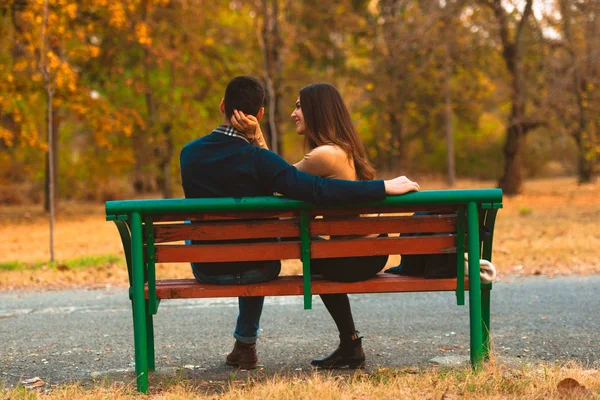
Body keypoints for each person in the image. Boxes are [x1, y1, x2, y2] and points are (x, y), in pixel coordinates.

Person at [180, 76, 420, 370]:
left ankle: (248, 345)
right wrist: (381, 187)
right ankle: (246, 343)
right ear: (260, 115)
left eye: (298, 107)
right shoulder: (267, 160)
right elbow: (309, 187)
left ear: (222, 106)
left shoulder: (188, 154)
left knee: (222, 237)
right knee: (258, 246)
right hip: (258, 268)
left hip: (206, 267)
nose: (294, 113)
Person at [231, 83, 402, 369]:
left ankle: (350, 343)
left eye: (299, 106)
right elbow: (284, 177)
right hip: (369, 251)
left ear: (316, 111)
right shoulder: (343, 149)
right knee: (314, 252)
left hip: (353, 259)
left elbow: (277, 181)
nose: (292, 113)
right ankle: (350, 344)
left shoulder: (323, 155)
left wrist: (255, 137)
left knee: (309, 253)